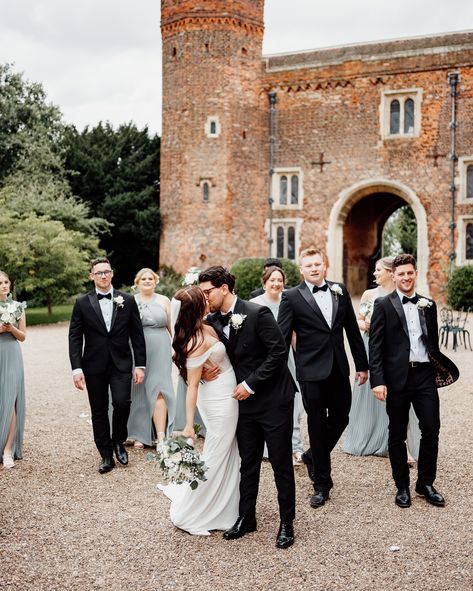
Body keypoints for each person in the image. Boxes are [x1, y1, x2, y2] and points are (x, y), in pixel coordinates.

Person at [200, 266, 296, 549]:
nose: (206, 297)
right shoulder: (211, 320)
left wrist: (251, 383)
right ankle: (247, 517)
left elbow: (278, 352)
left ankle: (286, 523)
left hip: (273, 399)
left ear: (224, 288)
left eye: (208, 292)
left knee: (280, 464)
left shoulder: (257, 313)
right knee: (248, 462)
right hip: (242, 404)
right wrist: (204, 371)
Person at [278, 248, 368, 509]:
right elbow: (283, 338)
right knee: (316, 425)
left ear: (324, 266)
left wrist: (362, 366)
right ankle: (322, 484)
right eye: (309, 265)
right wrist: (280, 373)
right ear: (301, 270)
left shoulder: (339, 290)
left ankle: (311, 456)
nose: (314, 268)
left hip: (339, 369)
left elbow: (352, 330)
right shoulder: (291, 297)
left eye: (318, 264)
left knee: (342, 417)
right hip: (310, 372)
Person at [369, 253, 459, 508]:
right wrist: (378, 380)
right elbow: (375, 347)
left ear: (415, 273)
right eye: (401, 274)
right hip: (396, 378)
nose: (406, 277)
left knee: (431, 427)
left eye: (410, 273)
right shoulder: (383, 305)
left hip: (423, 375)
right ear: (394, 276)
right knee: (397, 433)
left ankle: (425, 483)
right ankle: (402, 487)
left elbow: (433, 343)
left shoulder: (428, 305)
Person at [158, 286, 240, 535]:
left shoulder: (207, 324)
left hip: (227, 390)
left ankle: (226, 504)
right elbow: (192, 386)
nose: (208, 299)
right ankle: (196, 508)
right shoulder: (193, 342)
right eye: (203, 298)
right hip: (218, 401)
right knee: (217, 450)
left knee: (226, 449)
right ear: (195, 307)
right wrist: (189, 425)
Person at [68, 256, 146, 474]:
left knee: (122, 403)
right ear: (91, 276)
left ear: (112, 273)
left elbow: (137, 335)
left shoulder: (127, 300)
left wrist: (140, 365)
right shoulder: (82, 302)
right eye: (99, 272)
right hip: (93, 365)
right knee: (99, 410)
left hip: (121, 363)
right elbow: (75, 337)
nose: (103, 275)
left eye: (106, 271)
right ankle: (105, 454)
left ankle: (118, 441)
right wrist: (76, 369)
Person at [342, 257, 421, 459]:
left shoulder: (403, 295)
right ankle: (373, 437)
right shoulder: (369, 294)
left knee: (401, 396)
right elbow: (357, 321)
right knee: (374, 395)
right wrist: (367, 324)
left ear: (389, 272)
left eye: (378, 270)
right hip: (372, 346)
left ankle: (402, 444)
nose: (374, 273)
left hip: (396, 351)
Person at [250, 265, 305, 465]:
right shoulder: (254, 304)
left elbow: (294, 334)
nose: (276, 284)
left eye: (280, 280)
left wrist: (302, 360)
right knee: (266, 402)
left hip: (287, 359)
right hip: (263, 360)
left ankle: (296, 446)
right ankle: (267, 447)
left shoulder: (289, 301)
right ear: (264, 282)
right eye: (272, 280)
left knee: (292, 404)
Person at [125, 268, 175, 449]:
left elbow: (172, 327)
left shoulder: (164, 300)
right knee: (138, 390)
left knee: (160, 389)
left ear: (155, 281)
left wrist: (177, 348)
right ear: (137, 282)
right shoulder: (130, 301)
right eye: (143, 279)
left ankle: (161, 437)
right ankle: (138, 433)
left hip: (161, 347)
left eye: (150, 278)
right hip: (137, 349)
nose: (147, 281)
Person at [0, 271, 26, 469]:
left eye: (6, 282)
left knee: (11, 399)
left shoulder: (18, 307)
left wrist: (11, 329)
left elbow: (23, 336)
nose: (3, 285)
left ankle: (8, 448)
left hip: (12, 354)